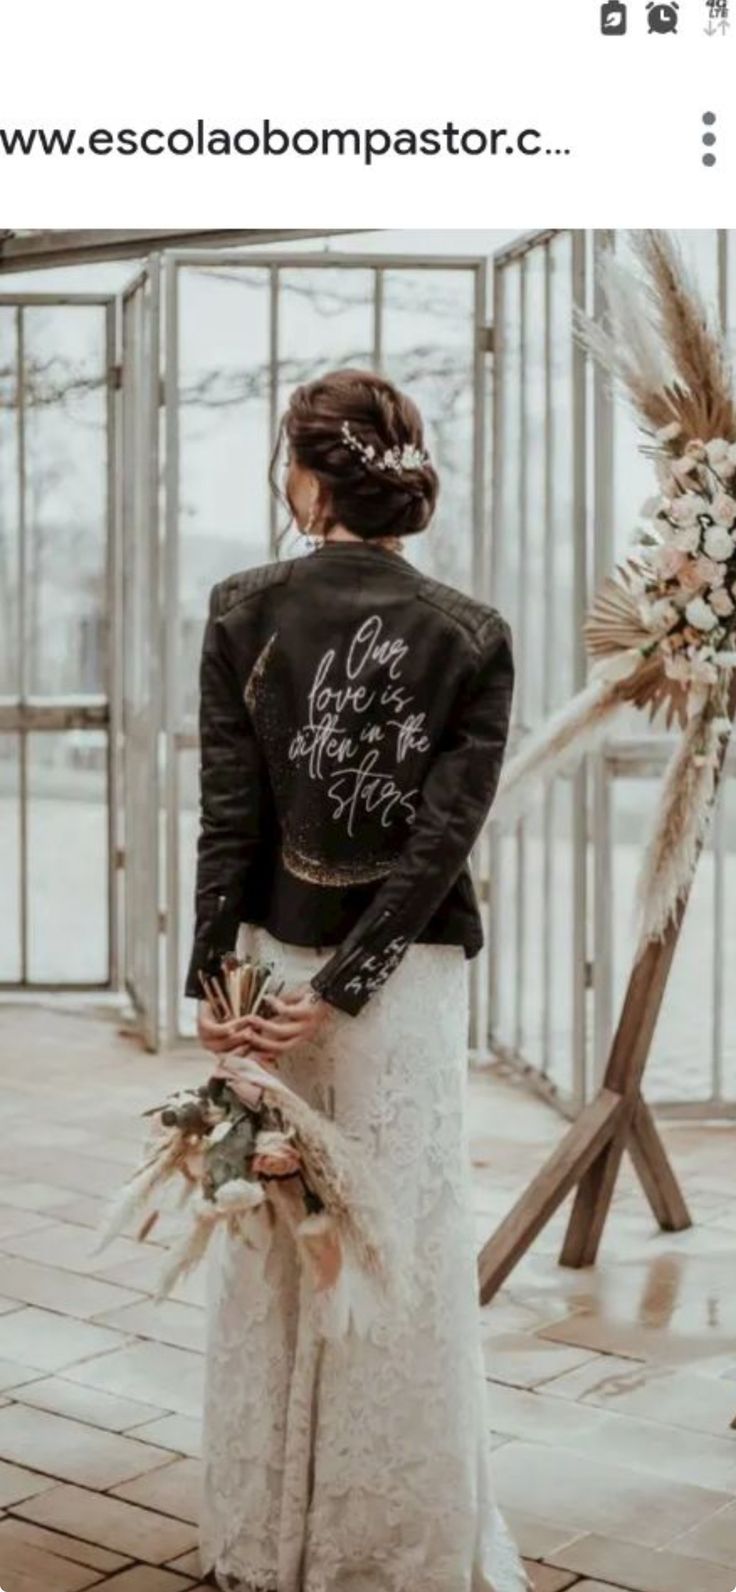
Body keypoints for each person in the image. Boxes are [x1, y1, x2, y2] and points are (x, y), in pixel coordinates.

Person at [186, 367, 527, 1592]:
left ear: (306, 475)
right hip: (403, 983)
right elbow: (442, 844)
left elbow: (231, 813)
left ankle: (269, 1530)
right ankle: (392, 1537)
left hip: (271, 964)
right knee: (398, 1229)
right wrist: (351, 984)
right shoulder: (473, 632)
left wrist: (219, 983)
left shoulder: (239, 606)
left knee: (272, 1225)